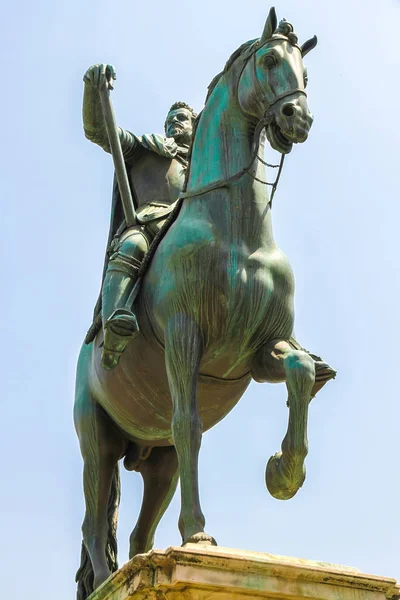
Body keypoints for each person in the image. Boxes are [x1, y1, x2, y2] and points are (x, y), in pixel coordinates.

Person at [82, 63, 197, 369]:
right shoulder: (148, 148)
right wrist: (93, 90)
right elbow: (99, 131)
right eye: (170, 119)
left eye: (183, 118)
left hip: (197, 227)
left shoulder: (208, 164)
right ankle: (115, 325)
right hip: (151, 223)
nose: (175, 122)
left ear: (197, 126)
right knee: (132, 245)